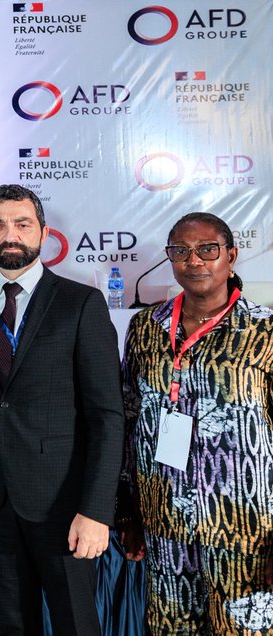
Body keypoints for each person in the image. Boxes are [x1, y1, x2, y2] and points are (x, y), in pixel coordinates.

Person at [0, 184, 123, 636]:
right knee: (11, 623)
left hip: (65, 506)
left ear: (43, 232)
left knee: (76, 624)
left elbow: (107, 415)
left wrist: (97, 510)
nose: (10, 234)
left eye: (22, 223)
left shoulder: (80, 303)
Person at [118, 212, 273, 633]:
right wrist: (129, 513)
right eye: (180, 251)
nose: (195, 261)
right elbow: (130, 419)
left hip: (247, 528)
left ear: (231, 256)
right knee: (173, 629)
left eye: (208, 249)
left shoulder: (265, 329)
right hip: (165, 520)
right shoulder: (145, 328)